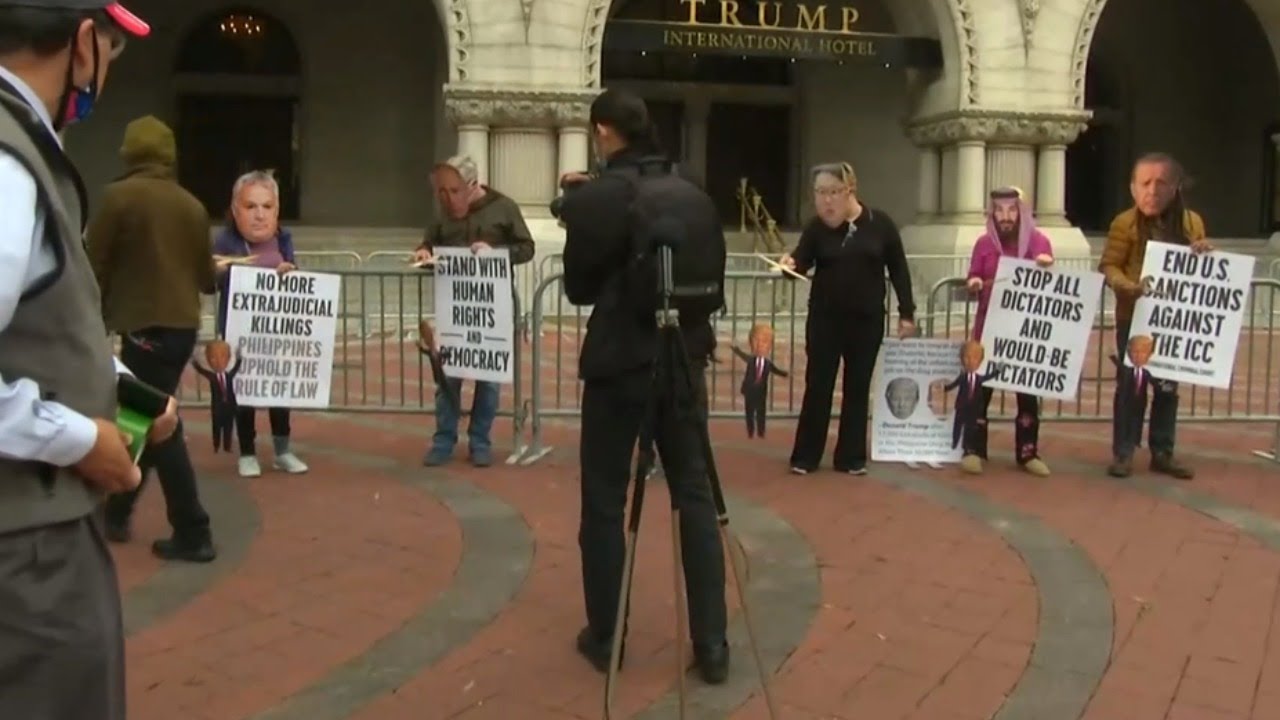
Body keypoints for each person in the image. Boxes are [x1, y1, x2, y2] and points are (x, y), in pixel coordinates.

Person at [0, 3, 172, 718]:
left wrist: (115, 388)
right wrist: (84, 439)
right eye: (109, 46)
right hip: (24, 552)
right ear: (80, 41)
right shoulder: (8, 164)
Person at [556, 88, 729, 684]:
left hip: (620, 364)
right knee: (695, 495)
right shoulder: (693, 189)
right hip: (685, 358)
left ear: (605, 132)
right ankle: (714, 644)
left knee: (604, 499)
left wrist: (584, 211)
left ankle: (607, 636)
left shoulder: (599, 198)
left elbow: (579, 288)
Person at [88, 114, 217, 561]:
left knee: (159, 422)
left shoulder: (119, 198)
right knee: (145, 416)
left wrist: (91, 317)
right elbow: (206, 277)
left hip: (143, 325)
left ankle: (193, 528)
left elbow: (92, 264)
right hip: (182, 326)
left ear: (130, 151)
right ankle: (119, 508)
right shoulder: (191, 205)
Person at [779, 162, 916, 475]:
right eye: (819, 193)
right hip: (825, 320)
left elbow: (899, 270)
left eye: (832, 193)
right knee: (818, 385)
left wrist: (906, 312)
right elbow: (801, 262)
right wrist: (789, 266)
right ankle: (805, 456)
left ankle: (851, 457)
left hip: (866, 320)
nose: (825, 201)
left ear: (850, 191)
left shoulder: (880, 224)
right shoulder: (816, 228)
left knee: (857, 386)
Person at [412, 154, 534, 467]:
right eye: (443, 193)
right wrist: (424, 252)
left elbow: (526, 248)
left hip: (493, 305)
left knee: (488, 378)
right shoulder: (444, 212)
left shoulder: (504, 207)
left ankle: (480, 441)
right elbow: (429, 241)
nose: (448, 200)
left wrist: (497, 253)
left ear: (473, 185)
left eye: (454, 192)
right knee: (448, 376)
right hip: (454, 305)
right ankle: (444, 440)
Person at [1097, 153, 1211, 479]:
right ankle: (1124, 453)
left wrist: (1204, 250)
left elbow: (1200, 265)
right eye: (1144, 183)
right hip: (1134, 316)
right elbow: (1108, 265)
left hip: (1174, 319)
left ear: (1175, 187)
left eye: (1160, 183)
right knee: (1132, 388)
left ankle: (1163, 451)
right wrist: (1128, 286)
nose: (1152, 191)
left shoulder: (1192, 223)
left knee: (1167, 387)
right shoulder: (1124, 224)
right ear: (1133, 188)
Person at [212, 169, 310, 478]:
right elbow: (207, 282)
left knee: (280, 392)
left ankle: (282, 450)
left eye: (267, 207)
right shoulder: (225, 240)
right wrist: (219, 270)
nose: (259, 215)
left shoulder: (284, 238)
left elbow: (296, 272)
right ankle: (248, 452)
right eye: (250, 206)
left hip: (277, 333)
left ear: (277, 210)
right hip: (239, 333)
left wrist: (290, 269)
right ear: (235, 209)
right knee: (244, 393)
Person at [962, 186, 1054, 477]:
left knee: (1027, 394)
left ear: (1021, 212)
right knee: (980, 392)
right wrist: (975, 282)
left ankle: (1028, 453)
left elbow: (1050, 276)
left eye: (1011, 210)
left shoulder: (1039, 242)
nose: (1005, 217)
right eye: (999, 211)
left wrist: (1045, 267)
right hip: (988, 329)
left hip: (1025, 332)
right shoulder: (983, 244)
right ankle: (974, 450)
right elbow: (973, 275)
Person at [730, 323, 787, 439]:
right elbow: (741, 354)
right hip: (749, 391)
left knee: (761, 412)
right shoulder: (750, 359)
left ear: (770, 346)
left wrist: (785, 374)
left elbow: (776, 370)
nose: (760, 345)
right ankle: (750, 432)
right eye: (756, 341)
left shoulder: (767, 363)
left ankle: (761, 432)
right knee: (749, 412)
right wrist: (734, 348)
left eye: (764, 342)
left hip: (761, 391)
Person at [944, 340, 999, 458]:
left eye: (975, 358)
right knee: (957, 425)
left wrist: (998, 370)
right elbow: (954, 384)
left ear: (980, 362)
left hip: (973, 408)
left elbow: (988, 377)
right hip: (961, 406)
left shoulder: (979, 378)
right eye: (967, 357)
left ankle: (968, 448)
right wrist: (944, 388)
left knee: (970, 427)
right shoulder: (963, 377)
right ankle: (954, 443)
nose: (970, 361)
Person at [1111, 335, 1156, 467]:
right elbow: (1118, 365)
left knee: (1135, 426)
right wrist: (1112, 355)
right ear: (1129, 354)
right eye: (1135, 352)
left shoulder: (1146, 373)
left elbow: (1154, 383)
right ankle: (1121, 452)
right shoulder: (1127, 371)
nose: (1138, 356)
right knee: (1122, 426)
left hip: (1139, 405)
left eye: (1143, 353)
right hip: (1125, 404)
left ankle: (1132, 445)